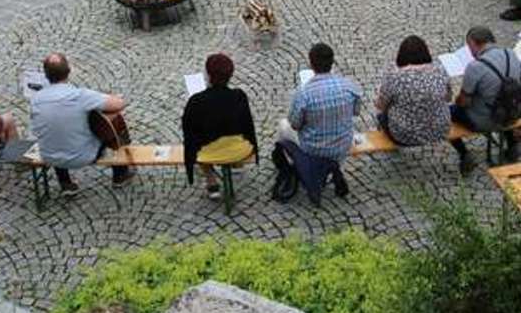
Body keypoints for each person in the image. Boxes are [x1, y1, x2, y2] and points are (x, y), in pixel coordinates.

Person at [31, 53, 133, 196]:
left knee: (57, 128)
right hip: (82, 156)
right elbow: (119, 104)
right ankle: (120, 174)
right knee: (110, 121)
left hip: (49, 156)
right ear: (69, 71)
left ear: (46, 75)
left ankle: (65, 183)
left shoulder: (36, 99)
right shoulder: (80, 95)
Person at [278, 42, 361, 183]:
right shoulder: (349, 86)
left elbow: (295, 125)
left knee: (283, 125)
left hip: (313, 150)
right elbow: (356, 112)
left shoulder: (303, 94)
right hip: (342, 146)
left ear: (311, 64)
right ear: (332, 63)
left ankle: (295, 164)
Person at [182, 54, 258, 200]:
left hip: (208, 154)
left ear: (208, 75)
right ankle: (236, 166)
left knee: (197, 142)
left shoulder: (196, 101)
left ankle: (211, 181)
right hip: (239, 150)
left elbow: (189, 133)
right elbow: (247, 126)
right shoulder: (239, 96)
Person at [450, 27, 521, 170]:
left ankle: (464, 155)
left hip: (484, 121)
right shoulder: (511, 55)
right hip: (512, 113)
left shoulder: (475, 67)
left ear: (474, 43)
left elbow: (464, 102)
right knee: (503, 102)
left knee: (446, 113)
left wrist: (457, 99)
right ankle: (513, 145)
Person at [375, 36, 451, 146]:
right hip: (440, 131)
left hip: (405, 135)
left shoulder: (395, 77)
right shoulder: (441, 71)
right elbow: (448, 98)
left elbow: (380, 105)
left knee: (381, 116)